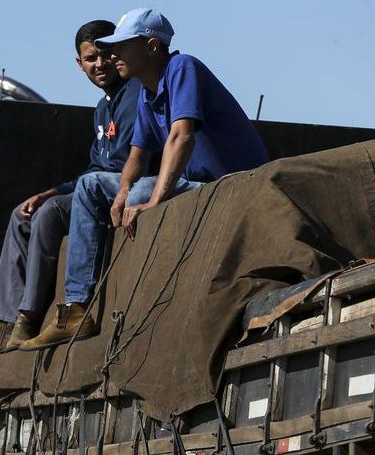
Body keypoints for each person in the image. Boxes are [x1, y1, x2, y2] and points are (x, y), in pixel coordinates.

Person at [25, 7, 269, 348]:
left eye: (122, 46)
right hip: (195, 186)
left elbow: (181, 137)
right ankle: (76, 308)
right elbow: (137, 156)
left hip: (228, 186)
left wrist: (152, 201)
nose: (113, 55)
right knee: (92, 185)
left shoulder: (182, 68)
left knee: (137, 194)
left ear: (152, 47)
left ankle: (137, 305)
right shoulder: (146, 91)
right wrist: (122, 192)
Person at [0, 19, 141, 353]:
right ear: (80, 64)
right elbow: (95, 169)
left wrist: (57, 198)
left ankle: (29, 316)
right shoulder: (102, 109)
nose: (99, 64)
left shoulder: (136, 94)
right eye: (90, 58)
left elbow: (128, 164)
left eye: (105, 54)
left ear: (118, 53)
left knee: (49, 213)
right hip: (93, 188)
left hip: (125, 187)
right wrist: (51, 191)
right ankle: (3, 325)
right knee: (23, 214)